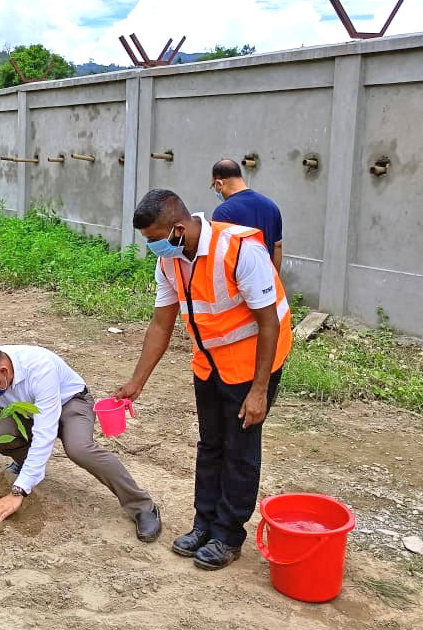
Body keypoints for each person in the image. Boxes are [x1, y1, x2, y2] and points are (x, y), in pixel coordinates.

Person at [116, 189, 292, 569]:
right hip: (209, 364)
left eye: (155, 239)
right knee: (211, 443)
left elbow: (269, 323)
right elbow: (161, 324)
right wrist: (136, 382)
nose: (153, 248)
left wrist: (259, 390)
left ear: (178, 228)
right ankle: (204, 523)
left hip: (253, 366)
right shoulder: (171, 261)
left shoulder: (240, 250)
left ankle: (228, 534)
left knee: (239, 451)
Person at [0, 342, 162, 540]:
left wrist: (18, 491)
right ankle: (28, 469)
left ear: (2, 372)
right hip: (28, 412)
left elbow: (45, 433)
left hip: (71, 403)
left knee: (79, 448)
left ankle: (142, 506)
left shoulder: (39, 367)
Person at [210, 159, 283, 271]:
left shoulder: (223, 212)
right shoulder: (271, 206)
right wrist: (274, 281)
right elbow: (277, 246)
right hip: (266, 283)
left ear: (219, 184)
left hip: (239, 285)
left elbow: (220, 256)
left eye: (213, 186)